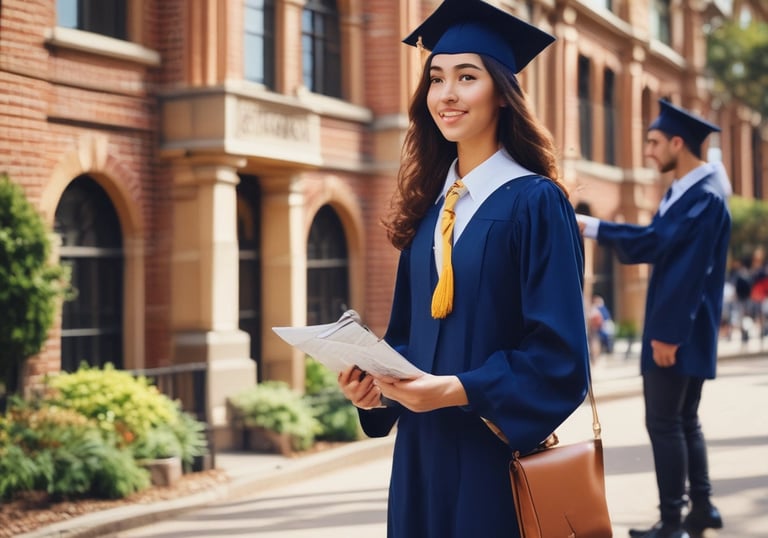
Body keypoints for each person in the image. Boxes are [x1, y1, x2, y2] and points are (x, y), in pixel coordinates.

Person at [336, 1, 590, 536]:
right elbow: (406, 339)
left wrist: (454, 389)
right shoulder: (432, 211)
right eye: (436, 79)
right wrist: (376, 386)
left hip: (491, 462)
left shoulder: (536, 203)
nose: (446, 94)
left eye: (467, 77)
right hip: (420, 463)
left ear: (501, 92)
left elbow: (560, 360)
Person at [577, 99, 731, 538]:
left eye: (653, 142)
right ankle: (701, 509)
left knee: (664, 423)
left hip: (677, 330)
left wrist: (666, 335)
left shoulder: (702, 196)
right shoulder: (690, 190)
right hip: (687, 328)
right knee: (685, 420)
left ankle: (672, 522)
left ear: (678, 143)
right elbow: (658, 242)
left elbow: (677, 264)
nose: (647, 150)